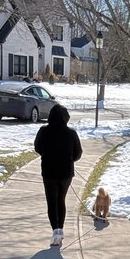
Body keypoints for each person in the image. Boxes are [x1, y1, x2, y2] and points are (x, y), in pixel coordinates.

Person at [34, 104, 82, 248]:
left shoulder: (43, 131)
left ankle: (55, 231)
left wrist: (47, 154)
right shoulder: (71, 133)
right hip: (66, 173)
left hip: (49, 172)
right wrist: (69, 159)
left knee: (51, 202)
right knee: (61, 200)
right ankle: (60, 230)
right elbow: (78, 153)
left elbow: (37, 147)